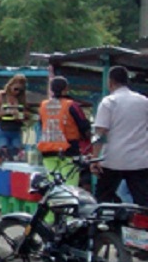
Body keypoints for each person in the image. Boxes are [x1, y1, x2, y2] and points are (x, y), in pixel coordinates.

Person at [89, 66, 148, 206]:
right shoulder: (144, 101)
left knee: (102, 202)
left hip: (112, 161)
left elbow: (100, 133)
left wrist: (95, 159)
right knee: (144, 203)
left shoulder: (109, 102)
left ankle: (104, 227)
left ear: (110, 82)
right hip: (139, 161)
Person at [38, 76, 92, 186]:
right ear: (66, 89)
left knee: (53, 185)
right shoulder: (71, 105)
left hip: (48, 151)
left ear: (51, 89)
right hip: (68, 150)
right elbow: (84, 125)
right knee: (69, 185)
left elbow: (41, 124)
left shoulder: (43, 105)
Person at [0, 74, 30, 159]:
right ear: (11, 85)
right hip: (2, 129)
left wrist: (20, 115)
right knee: (2, 154)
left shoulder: (21, 98)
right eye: (16, 89)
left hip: (15, 130)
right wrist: (7, 112)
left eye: (20, 90)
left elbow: (27, 115)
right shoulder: (1, 95)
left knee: (16, 154)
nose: (17, 92)